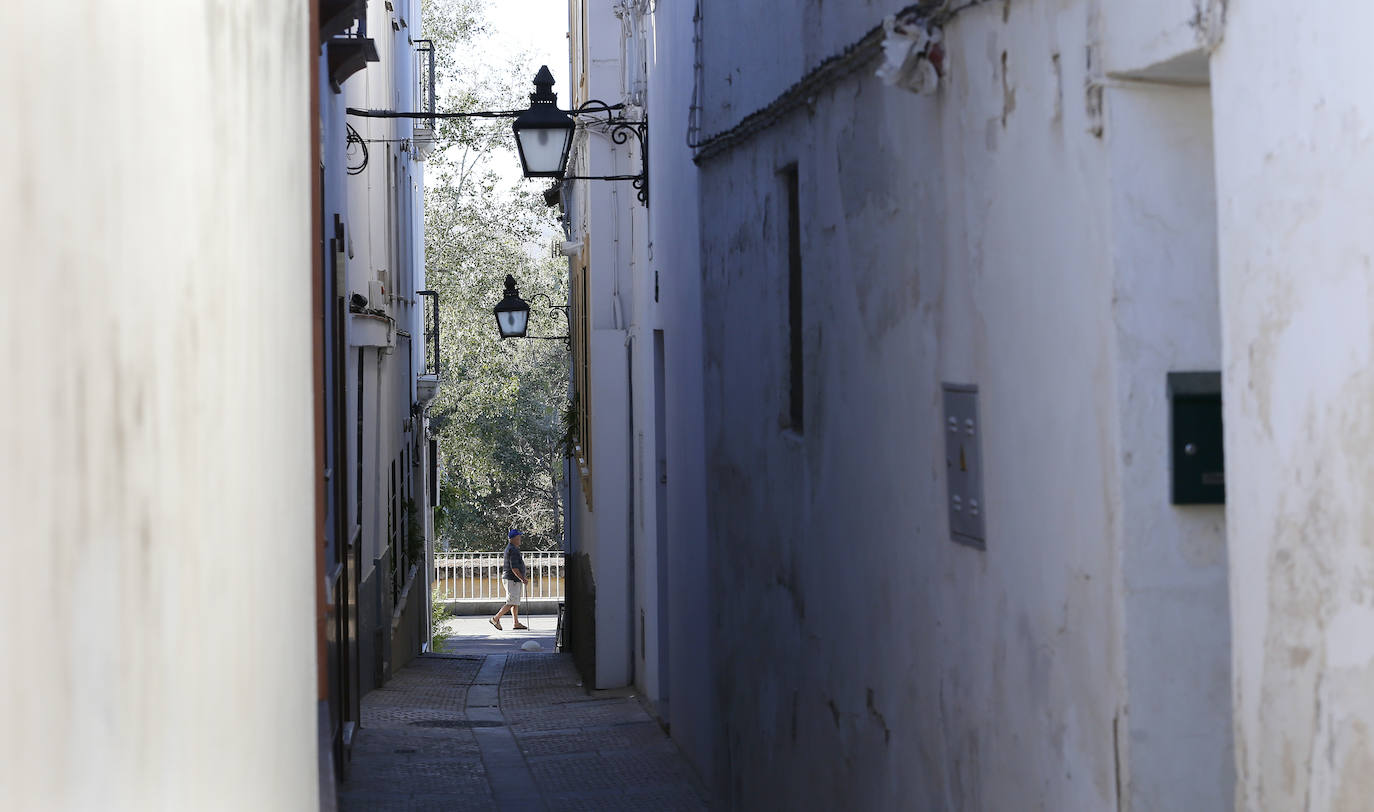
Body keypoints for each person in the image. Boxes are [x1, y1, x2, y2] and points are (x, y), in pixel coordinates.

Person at [490, 528, 529, 631]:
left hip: (512, 579)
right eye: (518, 537)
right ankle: (495, 618)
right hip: (512, 579)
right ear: (514, 538)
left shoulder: (511, 548)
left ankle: (516, 623)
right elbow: (514, 567)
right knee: (511, 602)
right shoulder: (513, 550)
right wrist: (522, 578)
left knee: (515, 601)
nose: (520, 538)